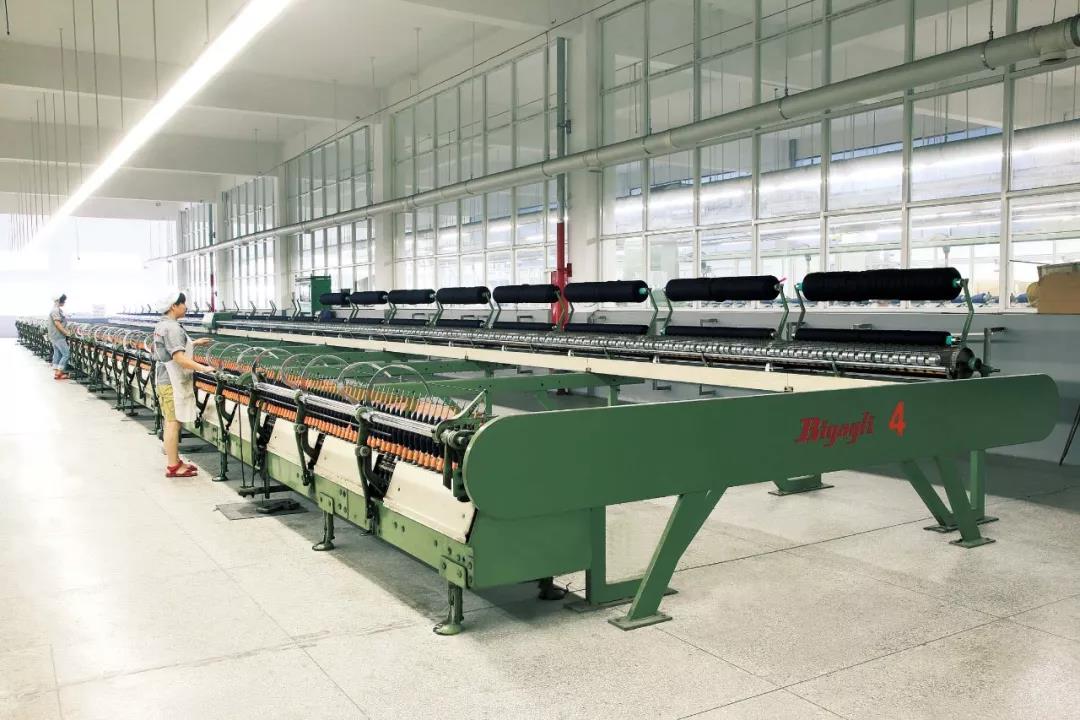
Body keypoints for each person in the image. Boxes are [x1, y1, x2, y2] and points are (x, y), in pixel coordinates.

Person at [153, 291, 214, 478]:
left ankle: (176, 461)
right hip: (171, 381)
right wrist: (204, 368)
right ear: (174, 306)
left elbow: (170, 348)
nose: (186, 307)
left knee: (171, 421)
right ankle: (173, 466)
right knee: (173, 423)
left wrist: (193, 343)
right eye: (183, 303)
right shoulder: (172, 328)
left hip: (164, 379)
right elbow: (179, 358)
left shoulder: (163, 325)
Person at [49, 294, 72, 380]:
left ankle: (57, 373)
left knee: (57, 354)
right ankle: (59, 372)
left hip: (55, 336)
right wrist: (66, 332)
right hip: (58, 336)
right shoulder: (55, 310)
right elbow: (57, 324)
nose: (64, 302)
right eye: (63, 301)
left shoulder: (57, 310)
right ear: (59, 301)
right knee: (66, 354)